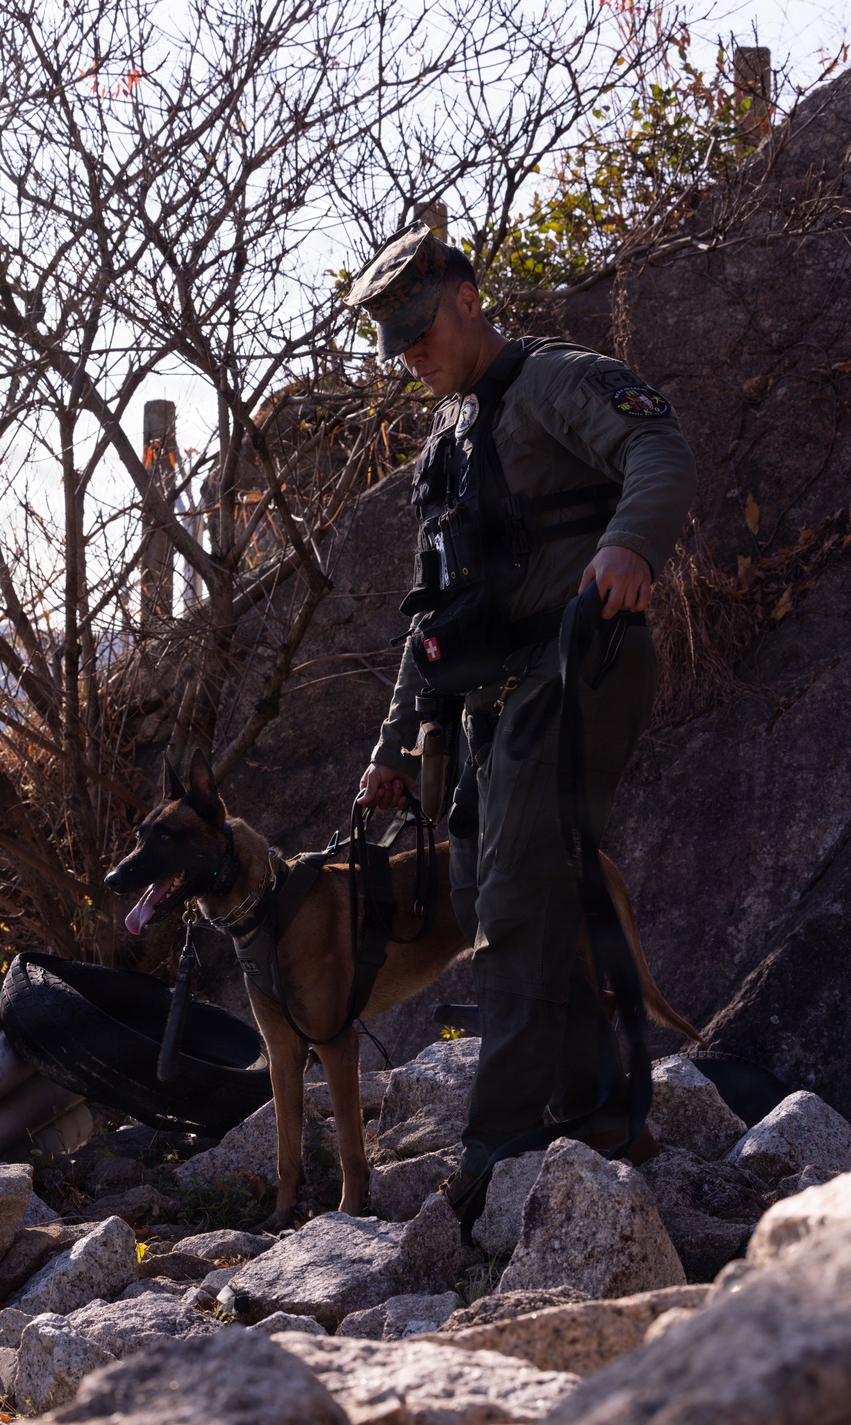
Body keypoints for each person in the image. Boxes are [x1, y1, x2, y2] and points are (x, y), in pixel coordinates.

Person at [348, 222, 697, 1210]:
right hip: (483, 701)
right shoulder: (446, 441)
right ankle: (593, 1114)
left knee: (508, 908)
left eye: (422, 331)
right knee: (500, 895)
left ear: (466, 299)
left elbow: (656, 449)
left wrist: (628, 548)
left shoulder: (553, 380)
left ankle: (492, 1155)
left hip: (576, 662)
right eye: (397, 343)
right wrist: (392, 750)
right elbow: (432, 615)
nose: (411, 355)